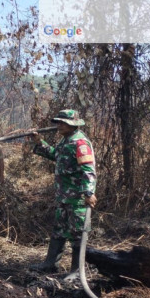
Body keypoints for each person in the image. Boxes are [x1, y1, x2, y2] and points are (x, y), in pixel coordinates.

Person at [30, 110, 97, 273]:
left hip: (77, 198)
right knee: (59, 230)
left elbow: (88, 169)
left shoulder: (80, 143)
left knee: (78, 234)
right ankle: (50, 264)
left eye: (62, 123)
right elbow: (57, 156)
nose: (58, 125)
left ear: (72, 124)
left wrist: (88, 193)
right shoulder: (66, 140)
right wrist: (40, 143)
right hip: (64, 197)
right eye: (58, 122)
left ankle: (76, 271)